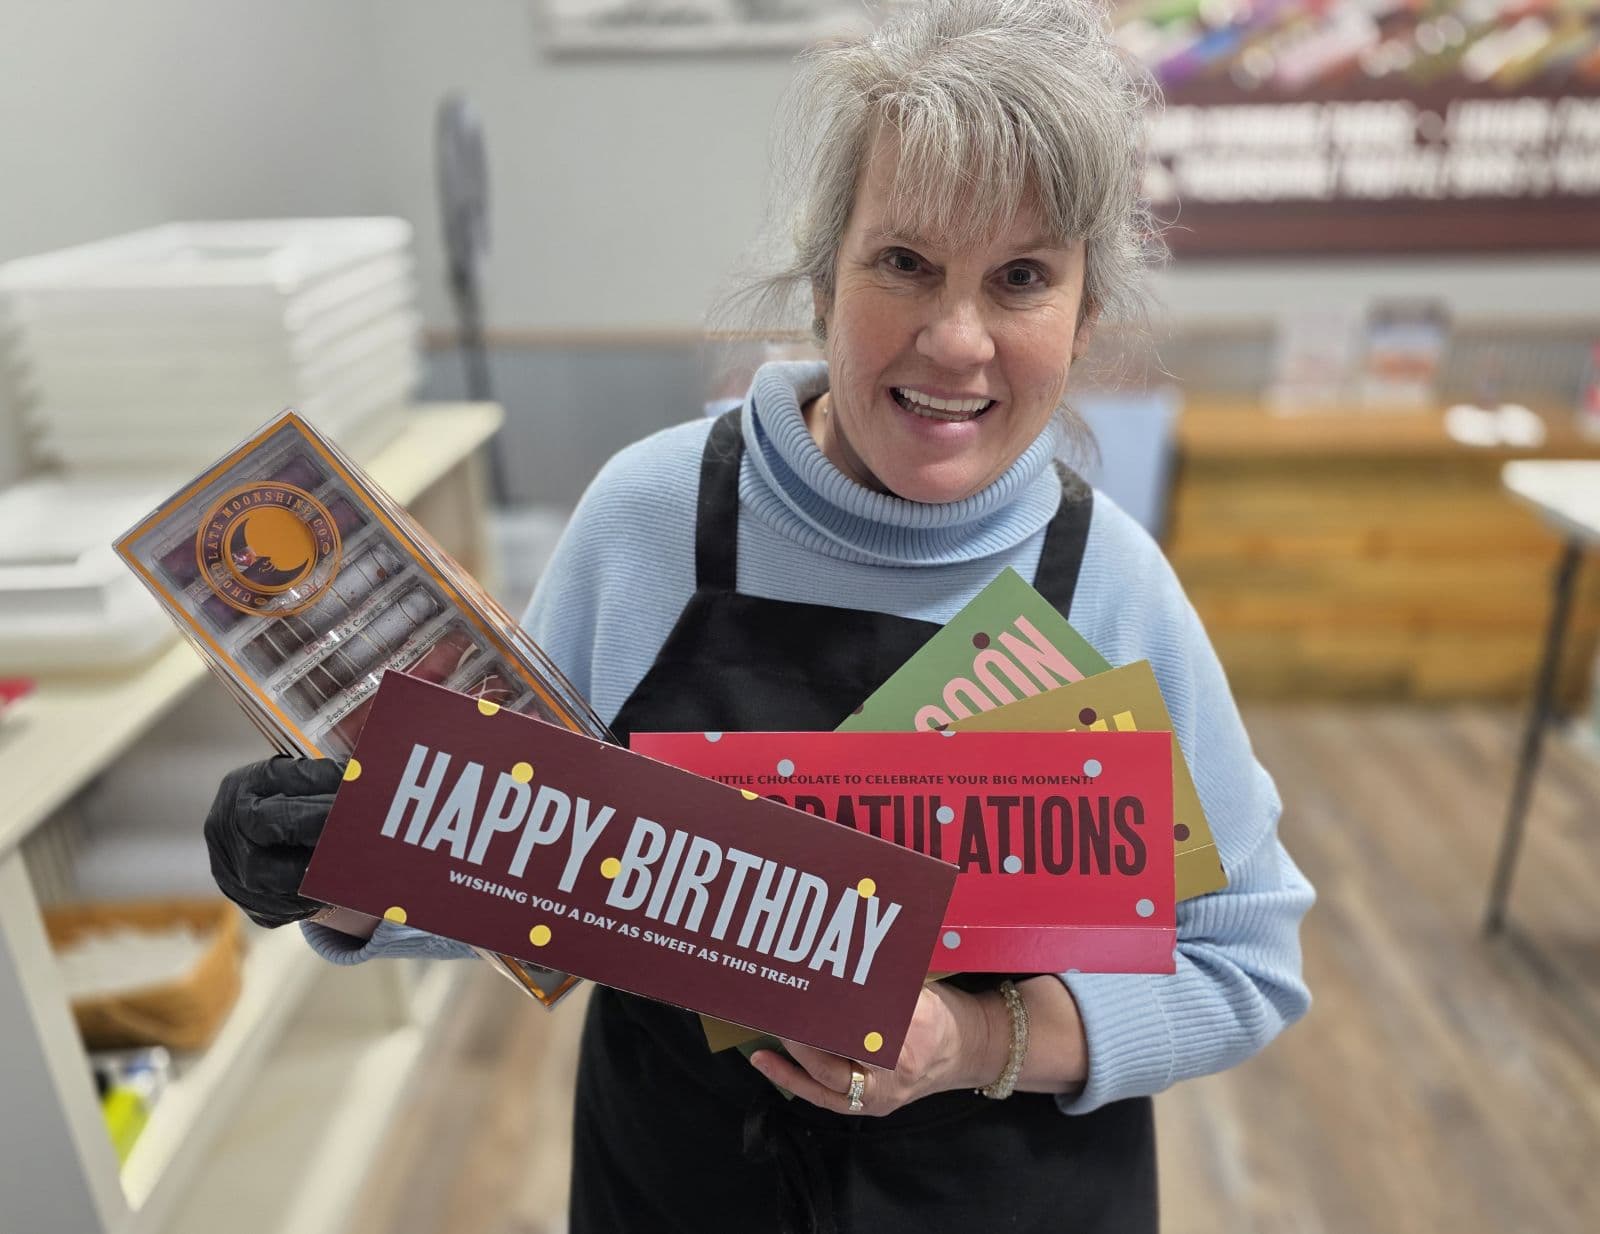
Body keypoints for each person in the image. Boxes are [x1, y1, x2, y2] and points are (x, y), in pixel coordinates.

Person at [204, 1, 1314, 1230]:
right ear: (822, 272)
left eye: (1020, 278)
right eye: (904, 263)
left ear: (1083, 312)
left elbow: (1243, 960)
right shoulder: (654, 518)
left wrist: (970, 1037)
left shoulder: (1112, 584)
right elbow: (513, 882)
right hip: (678, 1183)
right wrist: (341, 871)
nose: (956, 341)